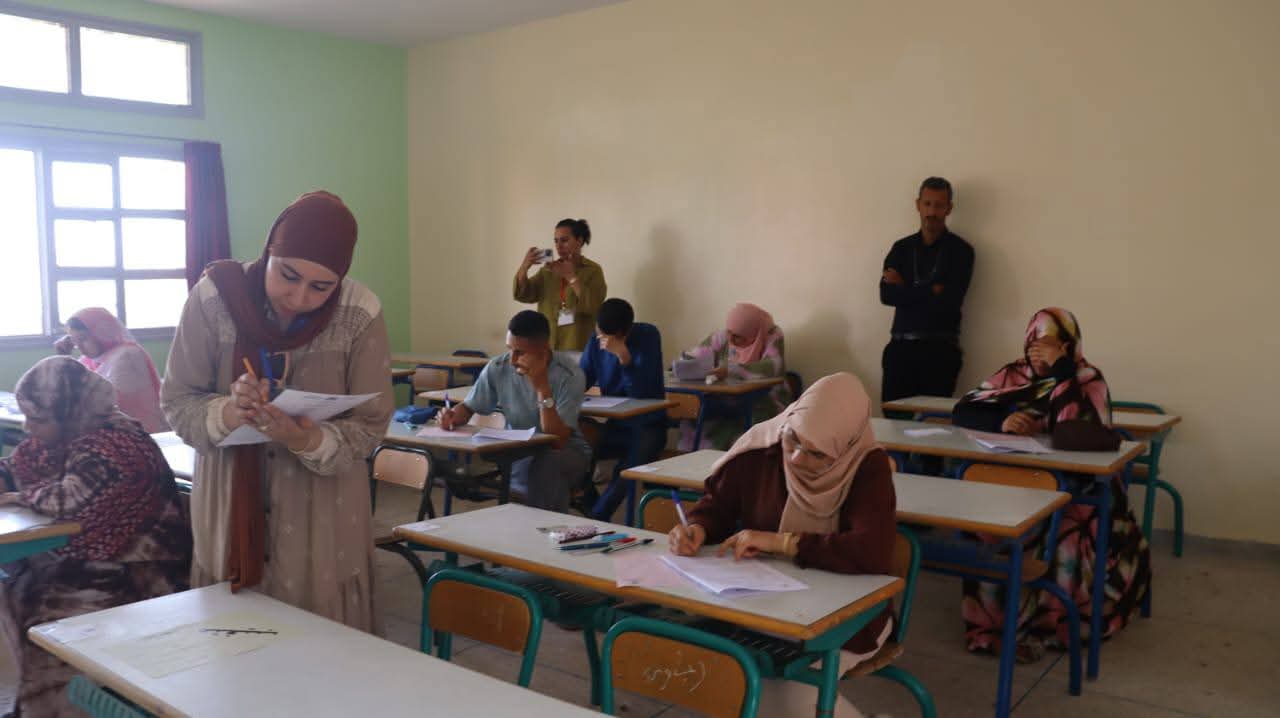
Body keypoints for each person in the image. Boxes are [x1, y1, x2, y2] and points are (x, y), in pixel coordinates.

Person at [161, 191, 394, 632]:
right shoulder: (216, 298)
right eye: (288, 275)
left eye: (321, 287)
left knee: (321, 634)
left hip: (322, 508)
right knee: (235, 636)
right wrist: (231, 412)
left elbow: (371, 423)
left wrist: (305, 438)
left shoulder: (358, 311)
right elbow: (177, 400)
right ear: (269, 249)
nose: (299, 296)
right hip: (231, 496)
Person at [669, 373, 893, 718]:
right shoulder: (763, 448)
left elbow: (871, 552)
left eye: (817, 454)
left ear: (845, 448)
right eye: (794, 440)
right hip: (760, 605)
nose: (797, 458)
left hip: (846, 617)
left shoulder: (867, 467)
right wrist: (697, 527)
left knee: (782, 696)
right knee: (714, 670)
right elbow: (718, 506)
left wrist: (784, 543)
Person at [952, 308, 1151, 662]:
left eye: (1049, 344)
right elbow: (964, 411)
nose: (1037, 351)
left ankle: (1053, 623)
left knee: (1066, 536)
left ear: (1068, 346)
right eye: (1033, 342)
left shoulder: (1087, 379)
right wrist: (1004, 422)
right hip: (1017, 482)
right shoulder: (1014, 374)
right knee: (987, 528)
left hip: (1077, 489)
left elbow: (1073, 434)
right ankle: (994, 627)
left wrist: (1062, 371)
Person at [0, 357, 190, 717]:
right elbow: (18, 465)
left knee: (47, 614)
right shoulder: (67, 433)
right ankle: (38, 706)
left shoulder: (116, 444)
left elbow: (69, 499)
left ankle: (63, 708)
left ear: (68, 411)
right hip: (92, 559)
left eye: (37, 419)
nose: (28, 427)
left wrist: (17, 496)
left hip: (140, 572)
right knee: (16, 585)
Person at [439, 310, 590, 513]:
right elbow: (469, 407)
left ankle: (543, 527)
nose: (512, 359)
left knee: (546, 465)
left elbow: (558, 440)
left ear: (544, 349)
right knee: (459, 472)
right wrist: (452, 416)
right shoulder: (498, 366)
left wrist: (542, 387)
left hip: (566, 452)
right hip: (519, 447)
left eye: (520, 352)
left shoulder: (570, 374)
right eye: (510, 349)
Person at [879, 176, 975, 403]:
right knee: (892, 418)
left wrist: (905, 289)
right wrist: (932, 291)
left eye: (939, 205)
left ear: (949, 208)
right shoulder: (901, 248)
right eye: (927, 204)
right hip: (900, 348)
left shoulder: (961, 251)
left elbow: (950, 301)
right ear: (918, 205)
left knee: (933, 420)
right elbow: (886, 295)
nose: (932, 211)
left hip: (940, 351)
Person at [577, 298, 666, 520]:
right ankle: (589, 501)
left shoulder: (648, 336)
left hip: (648, 426)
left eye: (607, 337)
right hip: (616, 424)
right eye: (599, 334)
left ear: (623, 332)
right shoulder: (596, 338)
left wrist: (624, 359)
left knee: (630, 465)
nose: (602, 341)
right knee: (575, 442)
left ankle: (598, 515)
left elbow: (642, 394)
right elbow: (582, 378)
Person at [677, 302, 790, 451]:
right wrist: (687, 362)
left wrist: (731, 370)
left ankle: (736, 462)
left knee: (750, 421)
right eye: (729, 333)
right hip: (726, 399)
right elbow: (696, 355)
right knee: (694, 416)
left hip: (765, 399)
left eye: (737, 337)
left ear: (753, 334)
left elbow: (774, 366)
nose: (731, 339)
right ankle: (694, 462)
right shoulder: (724, 335)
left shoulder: (771, 335)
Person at [52, 307, 169, 433]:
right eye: (75, 341)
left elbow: (106, 402)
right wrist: (63, 357)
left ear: (102, 334)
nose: (79, 347)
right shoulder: (89, 360)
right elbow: (67, 389)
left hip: (137, 432)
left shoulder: (127, 355)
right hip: (109, 431)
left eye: (83, 339)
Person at [513, 218, 607, 351]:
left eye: (564, 240)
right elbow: (523, 294)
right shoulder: (548, 270)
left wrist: (571, 276)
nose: (559, 246)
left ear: (579, 241)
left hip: (577, 344)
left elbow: (593, 305)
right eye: (556, 241)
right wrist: (524, 267)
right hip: (548, 344)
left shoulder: (593, 270)